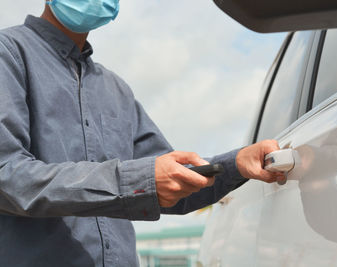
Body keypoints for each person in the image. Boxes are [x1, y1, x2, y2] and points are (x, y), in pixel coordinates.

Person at [0, 1, 284, 266]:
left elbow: (172, 185)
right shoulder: (9, 53)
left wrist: (236, 164)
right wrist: (137, 181)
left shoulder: (116, 89)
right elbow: (7, 177)